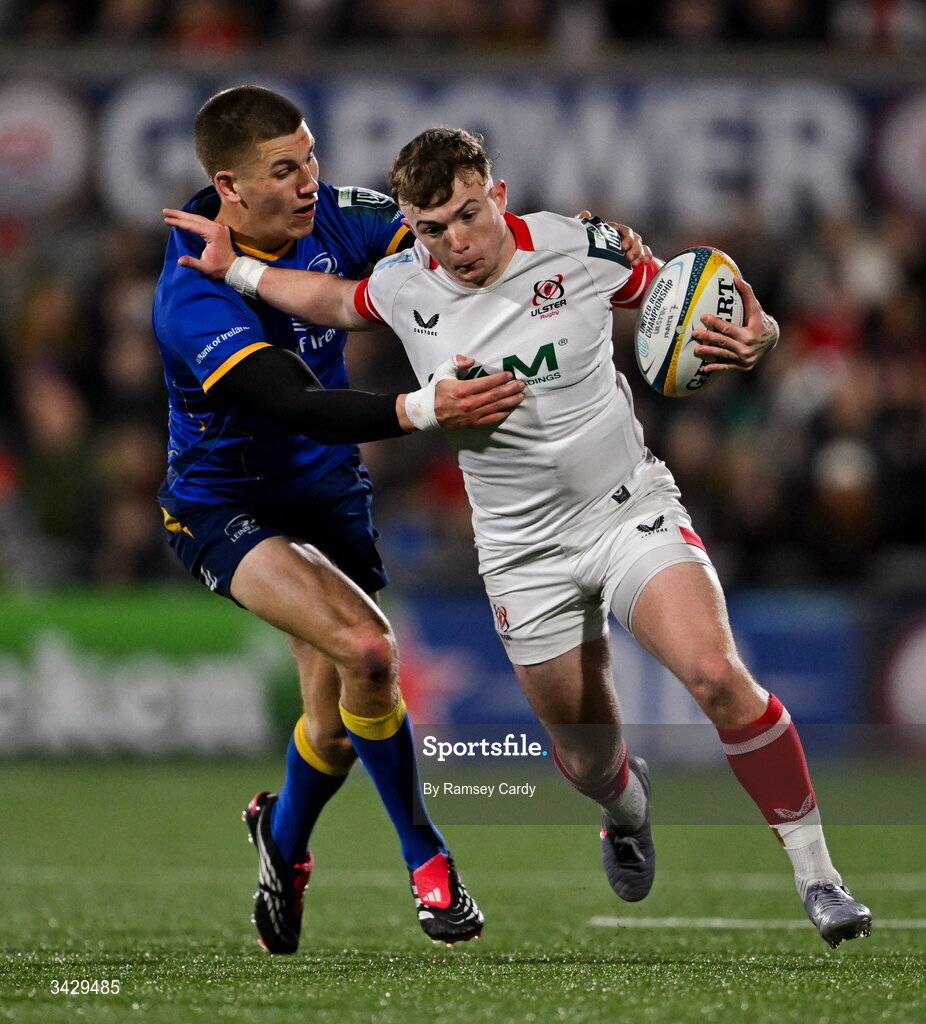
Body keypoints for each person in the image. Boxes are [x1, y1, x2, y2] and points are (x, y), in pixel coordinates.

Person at [164, 127, 873, 949]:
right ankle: (625, 810)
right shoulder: (403, 284)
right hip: (519, 555)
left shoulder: (583, 249)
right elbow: (329, 302)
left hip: (625, 509)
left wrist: (763, 337)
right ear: (412, 228)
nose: (456, 243)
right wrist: (236, 270)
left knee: (716, 675)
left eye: (468, 215)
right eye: (432, 228)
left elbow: (683, 298)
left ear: (496, 195)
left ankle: (820, 877)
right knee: (587, 764)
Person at [152, 89, 533, 954]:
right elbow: (298, 405)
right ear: (230, 187)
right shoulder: (188, 295)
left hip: (326, 496)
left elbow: (454, 242)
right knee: (369, 650)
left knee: (335, 719)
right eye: (285, 170)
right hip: (226, 506)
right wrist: (427, 408)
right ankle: (427, 860)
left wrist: (567, 244)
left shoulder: (340, 215)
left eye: (312, 157)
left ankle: (280, 841)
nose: (309, 182)